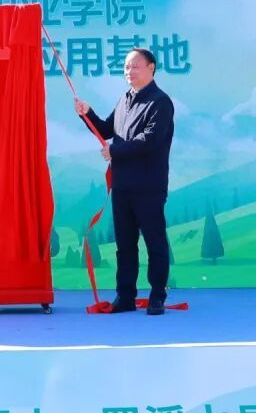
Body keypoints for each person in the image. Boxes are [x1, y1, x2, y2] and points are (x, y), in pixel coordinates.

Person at [74, 48, 175, 315]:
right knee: (125, 245)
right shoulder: (125, 99)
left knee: (154, 242)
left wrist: (115, 152)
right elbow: (107, 130)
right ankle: (126, 295)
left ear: (151, 68)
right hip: (122, 186)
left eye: (135, 66)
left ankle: (157, 296)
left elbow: (150, 140)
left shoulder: (160, 102)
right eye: (127, 67)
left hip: (149, 185)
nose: (129, 71)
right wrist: (87, 114)